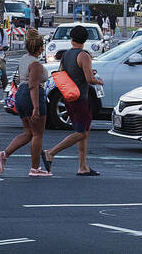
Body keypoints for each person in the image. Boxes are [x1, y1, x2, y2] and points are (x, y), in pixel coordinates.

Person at [43, 25, 104, 176]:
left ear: (71, 39)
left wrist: (86, 73)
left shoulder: (66, 55)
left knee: (84, 131)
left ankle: (83, 166)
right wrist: (98, 81)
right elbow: (89, 79)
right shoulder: (84, 55)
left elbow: (64, 72)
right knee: (81, 133)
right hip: (80, 98)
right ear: (85, 39)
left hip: (69, 96)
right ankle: (51, 152)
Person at [0, 28, 51, 176]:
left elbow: (21, 80)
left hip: (20, 95)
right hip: (32, 96)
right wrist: (36, 108)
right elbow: (33, 85)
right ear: (40, 48)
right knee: (38, 134)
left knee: (28, 133)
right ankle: (35, 168)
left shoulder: (24, 59)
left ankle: (4, 154)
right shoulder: (36, 64)